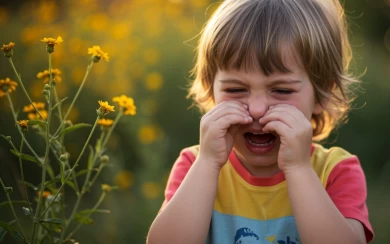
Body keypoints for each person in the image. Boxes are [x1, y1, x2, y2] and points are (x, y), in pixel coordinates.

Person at [147, 0, 374, 243]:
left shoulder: (335, 172)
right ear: (211, 90)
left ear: (322, 94)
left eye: (282, 90)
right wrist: (207, 162)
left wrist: (299, 169)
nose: (256, 109)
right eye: (235, 89)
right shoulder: (196, 165)